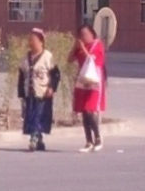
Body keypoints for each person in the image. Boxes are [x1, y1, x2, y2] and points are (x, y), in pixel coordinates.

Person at [18, 28, 61, 152]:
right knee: (30, 117)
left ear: (41, 42)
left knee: (39, 116)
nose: (31, 42)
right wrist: (21, 94)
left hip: (42, 93)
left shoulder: (48, 56)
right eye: (30, 40)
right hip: (29, 93)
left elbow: (56, 74)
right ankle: (39, 140)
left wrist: (52, 87)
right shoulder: (26, 57)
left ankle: (34, 139)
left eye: (34, 40)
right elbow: (22, 76)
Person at [69, 24, 107, 153]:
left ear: (92, 34)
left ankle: (98, 137)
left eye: (86, 34)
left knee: (90, 109)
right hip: (83, 81)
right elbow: (69, 59)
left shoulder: (97, 45)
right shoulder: (79, 47)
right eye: (81, 35)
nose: (83, 37)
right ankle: (88, 141)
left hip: (94, 81)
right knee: (84, 112)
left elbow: (93, 61)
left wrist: (83, 49)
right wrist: (75, 47)